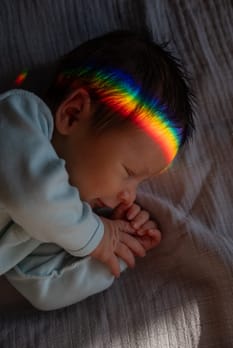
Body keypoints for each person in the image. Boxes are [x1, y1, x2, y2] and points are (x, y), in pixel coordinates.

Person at [0, 30, 195, 310]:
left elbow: (44, 288)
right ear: (73, 114)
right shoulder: (18, 117)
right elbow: (37, 199)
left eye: (140, 183)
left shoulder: (50, 221)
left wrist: (116, 252)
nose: (130, 196)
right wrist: (97, 236)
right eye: (129, 172)